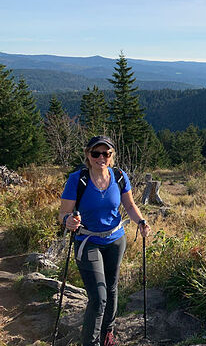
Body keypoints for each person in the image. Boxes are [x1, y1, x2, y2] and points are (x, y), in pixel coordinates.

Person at [59, 135, 150, 346]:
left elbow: (129, 206)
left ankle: (107, 334)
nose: (101, 157)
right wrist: (68, 221)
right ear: (88, 156)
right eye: (96, 153)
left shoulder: (119, 176)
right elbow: (63, 212)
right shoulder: (77, 179)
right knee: (98, 297)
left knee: (111, 288)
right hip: (88, 241)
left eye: (106, 153)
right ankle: (91, 342)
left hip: (116, 240)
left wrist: (141, 221)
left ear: (111, 156)